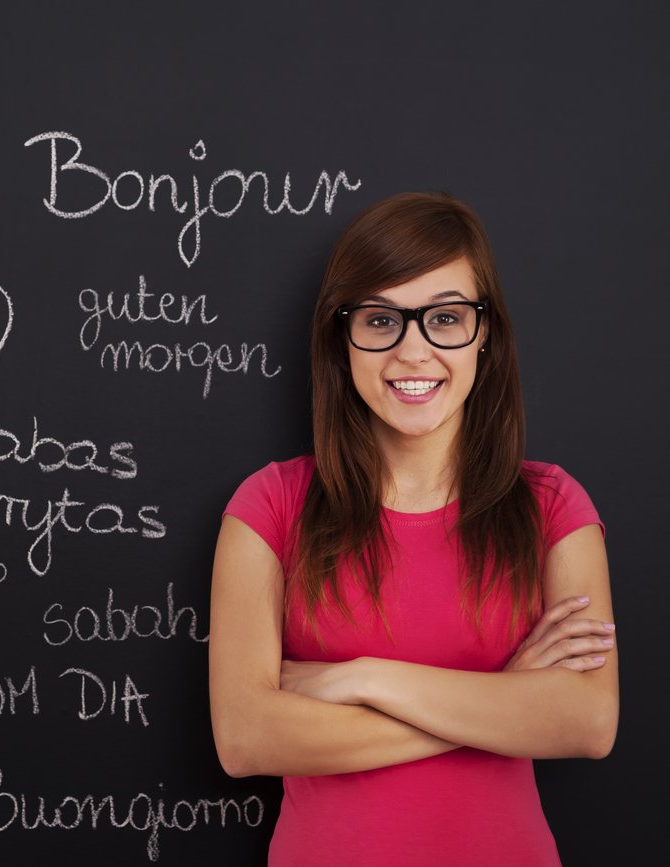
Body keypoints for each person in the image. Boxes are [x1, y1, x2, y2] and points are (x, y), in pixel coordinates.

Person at [207, 192, 618, 866]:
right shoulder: (269, 505)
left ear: (485, 333)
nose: (413, 350)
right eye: (381, 320)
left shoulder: (551, 505)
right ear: (342, 339)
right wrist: (506, 697)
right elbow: (245, 737)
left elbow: (588, 722)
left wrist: (364, 677)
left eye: (446, 318)